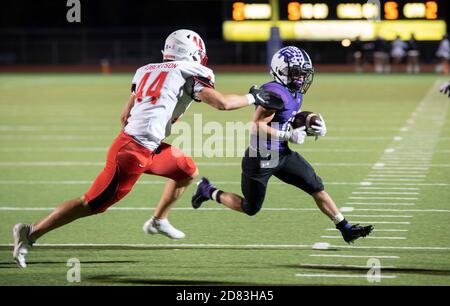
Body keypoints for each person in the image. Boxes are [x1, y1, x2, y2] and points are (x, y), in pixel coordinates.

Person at [12, 29, 283, 268]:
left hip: (142, 146)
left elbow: (124, 115)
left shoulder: (146, 70)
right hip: (132, 152)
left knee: (186, 170)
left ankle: (157, 220)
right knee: (91, 204)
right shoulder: (189, 71)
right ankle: (30, 232)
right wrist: (253, 97)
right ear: (192, 53)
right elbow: (221, 103)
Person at [191, 46, 374, 244]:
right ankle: (207, 190)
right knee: (250, 208)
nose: (301, 78)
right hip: (260, 158)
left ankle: (345, 227)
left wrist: (313, 123)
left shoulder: (294, 92)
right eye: (296, 73)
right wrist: (288, 134)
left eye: (303, 74)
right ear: (281, 70)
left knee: (315, 186)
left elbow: (292, 116)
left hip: (282, 154)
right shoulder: (275, 93)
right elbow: (256, 126)